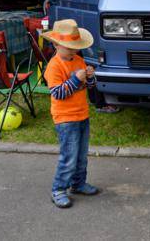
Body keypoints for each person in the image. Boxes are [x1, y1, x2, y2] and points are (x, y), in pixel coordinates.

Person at [42, 19, 101, 209]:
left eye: (75, 47)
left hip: (82, 114)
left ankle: (78, 183)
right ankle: (58, 189)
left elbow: (87, 87)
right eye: (69, 47)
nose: (73, 51)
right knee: (69, 156)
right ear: (56, 44)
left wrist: (90, 78)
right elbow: (58, 93)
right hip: (65, 119)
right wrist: (76, 79)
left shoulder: (79, 60)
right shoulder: (54, 66)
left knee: (81, 155)